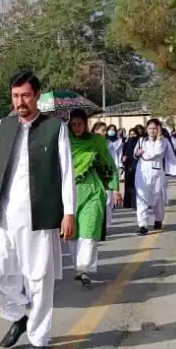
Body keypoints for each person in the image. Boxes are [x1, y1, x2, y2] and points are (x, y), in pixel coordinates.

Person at [0, 70, 76, 349]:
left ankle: (39, 336)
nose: (20, 101)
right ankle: (19, 316)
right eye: (15, 96)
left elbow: (66, 174)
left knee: (40, 279)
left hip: (40, 216)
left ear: (37, 96)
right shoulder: (4, 125)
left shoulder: (55, 128)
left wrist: (69, 212)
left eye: (25, 95)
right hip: (4, 216)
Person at [67, 109, 121, 286]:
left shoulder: (97, 141)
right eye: (73, 124)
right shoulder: (64, 141)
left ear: (86, 124)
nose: (76, 128)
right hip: (69, 191)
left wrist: (115, 188)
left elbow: (108, 163)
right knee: (73, 232)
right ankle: (77, 266)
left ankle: (84, 269)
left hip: (92, 190)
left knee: (89, 231)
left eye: (80, 124)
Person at [133, 118, 176, 235]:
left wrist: (158, 139)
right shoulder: (142, 140)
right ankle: (142, 225)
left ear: (159, 129)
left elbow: (157, 152)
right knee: (141, 197)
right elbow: (135, 153)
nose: (152, 131)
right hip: (142, 172)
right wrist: (137, 153)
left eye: (155, 128)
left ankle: (158, 219)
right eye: (150, 128)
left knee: (158, 198)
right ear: (146, 129)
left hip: (157, 172)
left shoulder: (163, 141)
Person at [103, 124, 124, 231]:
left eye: (104, 130)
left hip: (107, 175)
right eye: (100, 130)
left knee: (107, 203)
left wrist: (116, 188)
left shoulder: (109, 144)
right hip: (94, 178)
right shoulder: (90, 144)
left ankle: (105, 226)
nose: (103, 133)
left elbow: (115, 162)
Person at [121, 126, 141, 209]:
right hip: (128, 165)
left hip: (136, 165)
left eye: (134, 134)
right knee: (128, 184)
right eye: (131, 134)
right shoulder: (126, 144)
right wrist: (123, 159)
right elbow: (123, 153)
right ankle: (128, 202)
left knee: (135, 184)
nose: (132, 136)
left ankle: (135, 203)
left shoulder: (139, 143)